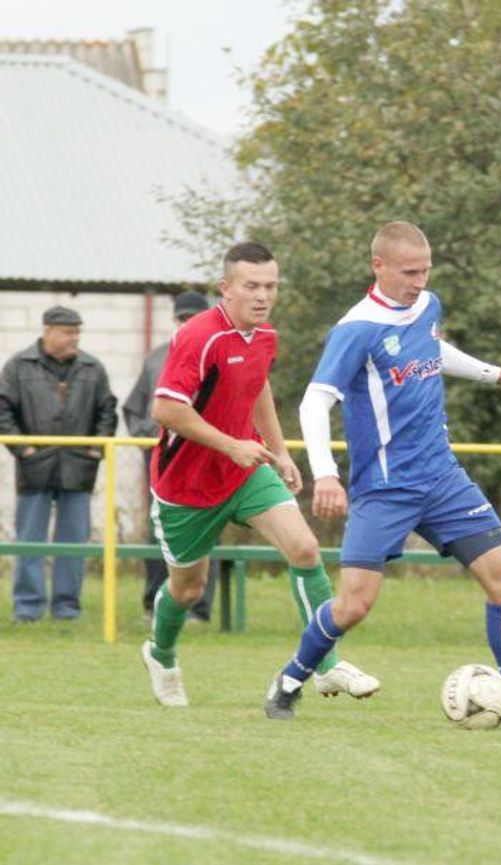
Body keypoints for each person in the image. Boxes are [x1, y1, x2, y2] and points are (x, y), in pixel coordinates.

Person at [263, 221, 501, 726]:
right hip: (385, 489)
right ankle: (289, 680)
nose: (419, 281)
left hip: (442, 479)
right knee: (353, 606)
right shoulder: (357, 329)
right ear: (379, 266)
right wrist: (325, 474)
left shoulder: (427, 305)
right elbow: (314, 401)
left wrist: (495, 373)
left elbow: (432, 352)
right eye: (409, 272)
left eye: (425, 270)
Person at [140, 242, 379, 707]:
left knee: (306, 548)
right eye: (251, 286)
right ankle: (161, 653)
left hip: (244, 471)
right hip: (186, 486)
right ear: (225, 289)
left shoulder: (264, 335)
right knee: (188, 589)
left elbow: (257, 387)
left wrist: (279, 451)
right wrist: (232, 444)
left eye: (270, 286)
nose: (262, 295)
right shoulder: (198, 335)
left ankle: (326, 666)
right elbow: (165, 409)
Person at [0, 306, 117, 622]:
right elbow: (3, 411)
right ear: (47, 331)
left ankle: (67, 609)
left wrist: (95, 450)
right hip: (34, 467)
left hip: (79, 468)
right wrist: (23, 449)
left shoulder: (93, 368)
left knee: (74, 541)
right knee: (30, 539)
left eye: (78, 332)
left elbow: (107, 411)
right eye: (68, 332)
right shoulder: (18, 367)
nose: (74, 338)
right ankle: (27, 608)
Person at [122, 290, 218, 623]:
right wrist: (146, 439)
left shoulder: (219, 352)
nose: (189, 323)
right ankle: (154, 606)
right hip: (165, 464)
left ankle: (199, 610)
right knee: (158, 533)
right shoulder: (156, 358)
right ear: (175, 320)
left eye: (196, 317)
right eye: (183, 318)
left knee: (205, 531)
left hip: (205, 461)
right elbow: (134, 408)